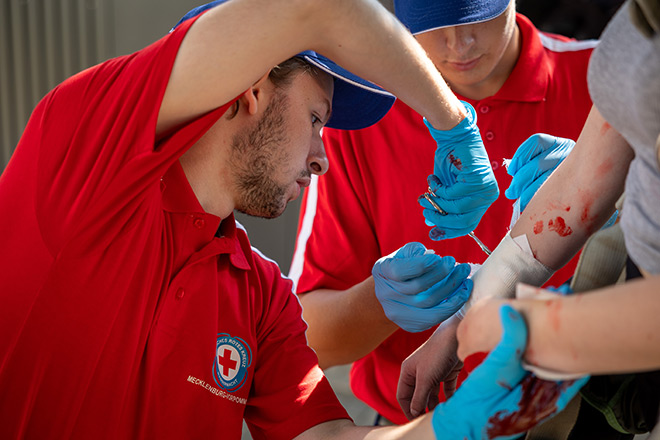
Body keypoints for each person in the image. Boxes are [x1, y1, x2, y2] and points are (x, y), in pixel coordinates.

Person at [0, 0, 582, 438]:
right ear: (250, 90)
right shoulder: (82, 158)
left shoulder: (260, 296)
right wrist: (453, 123)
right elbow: (316, 7)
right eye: (315, 118)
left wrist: (457, 422)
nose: (323, 158)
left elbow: (327, 436)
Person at [289, 0, 595, 425]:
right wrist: (380, 302)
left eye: (475, 16)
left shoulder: (606, 82)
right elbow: (309, 340)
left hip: (585, 414)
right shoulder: (362, 116)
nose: (459, 44)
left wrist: (607, 187)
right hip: (415, 419)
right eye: (435, 25)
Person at [406, 0, 660, 436]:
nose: (459, 44)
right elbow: (583, 178)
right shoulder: (637, 22)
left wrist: (528, 330)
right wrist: (464, 316)